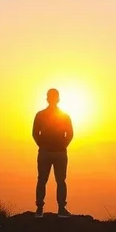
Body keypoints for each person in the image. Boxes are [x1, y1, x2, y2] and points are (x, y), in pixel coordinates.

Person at [32, 88, 74, 218]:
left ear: (47, 98)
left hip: (45, 152)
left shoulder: (40, 115)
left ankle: (39, 209)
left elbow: (35, 134)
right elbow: (70, 134)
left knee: (42, 180)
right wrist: (63, 145)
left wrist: (43, 145)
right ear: (58, 99)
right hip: (60, 153)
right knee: (61, 181)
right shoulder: (65, 116)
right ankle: (61, 209)